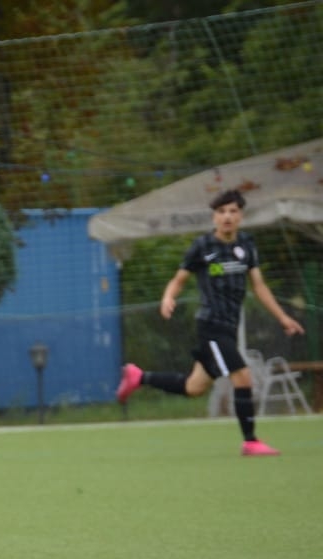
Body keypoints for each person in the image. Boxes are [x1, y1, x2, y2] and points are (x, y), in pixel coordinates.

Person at [116, 188, 305, 456]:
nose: (227, 216)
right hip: (211, 327)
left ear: (241, 216)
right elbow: (178, 280)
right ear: (214, 217)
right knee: (242, 375)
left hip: (230, 326)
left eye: (233, 211)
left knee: (194, 387)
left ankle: (139, 377)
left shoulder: (247, 245)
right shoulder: (202, 247)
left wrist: (283, 317)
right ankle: (250, 441)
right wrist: (168, 297)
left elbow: (259, 286)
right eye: (221, 211)